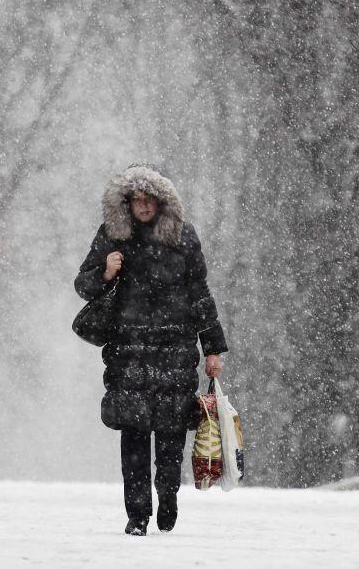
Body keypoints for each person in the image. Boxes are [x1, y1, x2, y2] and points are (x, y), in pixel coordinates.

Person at [74, 165, 229, 536]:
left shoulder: (184, 237)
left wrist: (213, 349)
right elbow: (83, 284)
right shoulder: (112, 236)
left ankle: (168, 497)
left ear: (161, 203)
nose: (143, 207)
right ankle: (138, 514)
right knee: (134, 439)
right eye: (137, 201)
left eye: (149, 200)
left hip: (174, 353)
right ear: (127, 203)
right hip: (128, 354)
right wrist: (106, 273)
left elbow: (199, 295)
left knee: (171, 436)